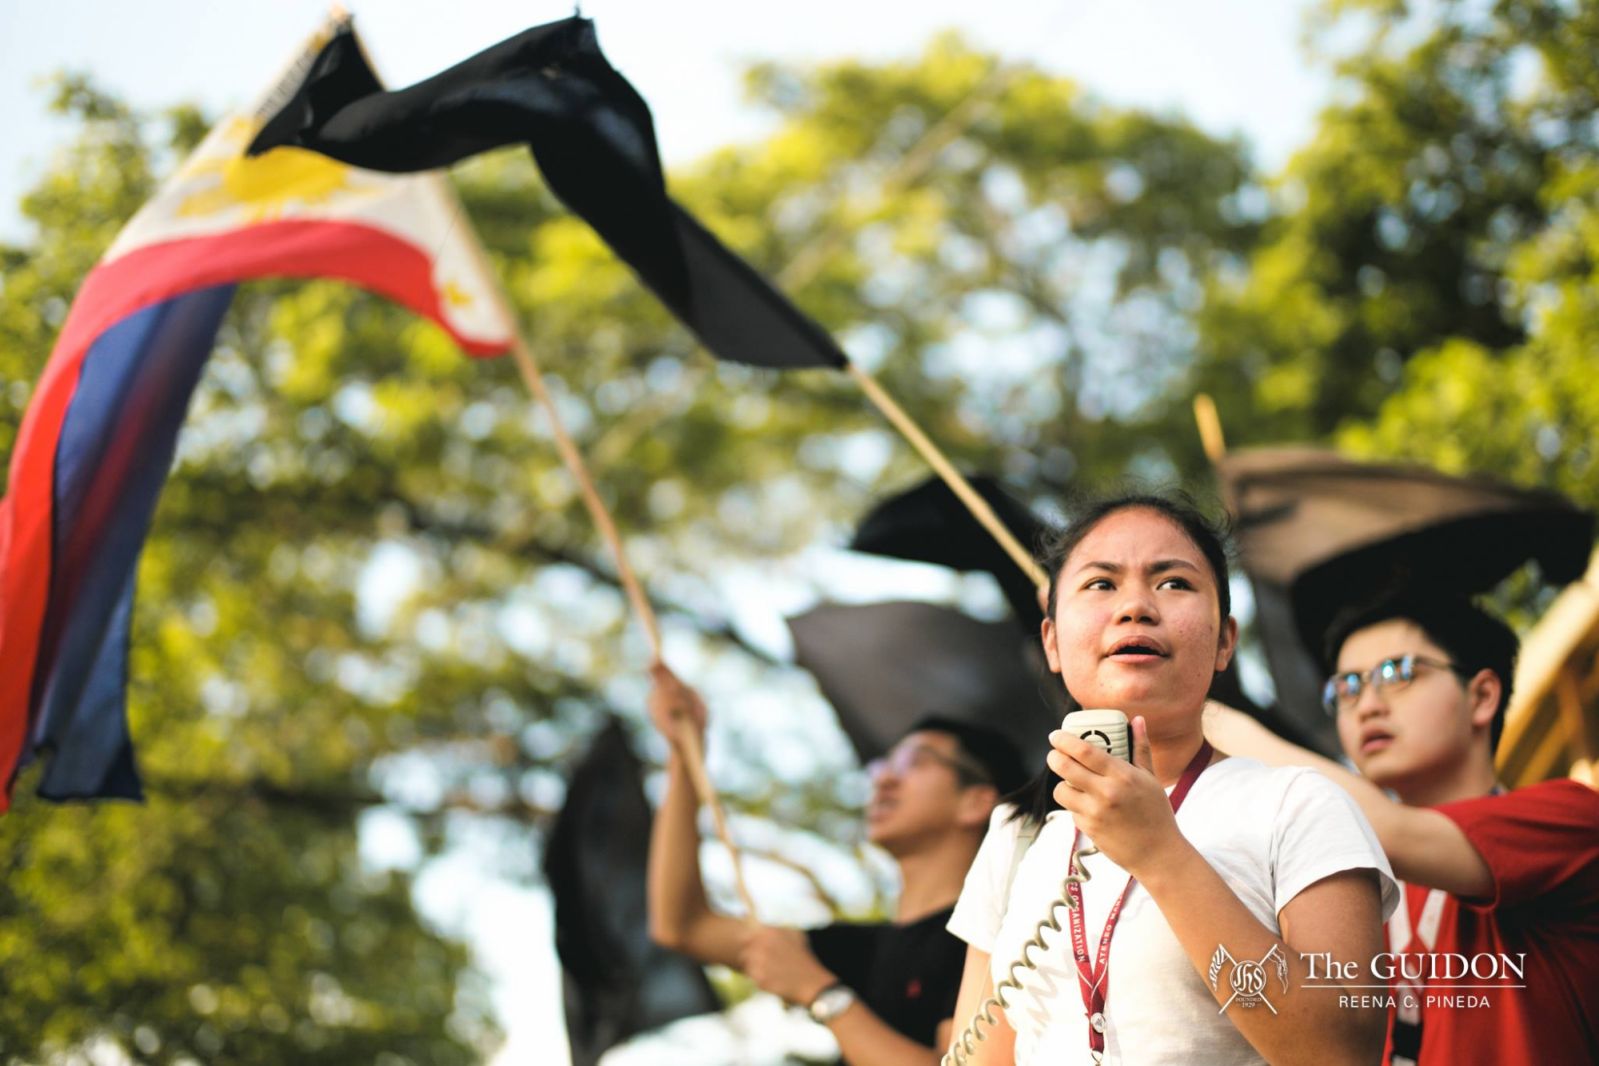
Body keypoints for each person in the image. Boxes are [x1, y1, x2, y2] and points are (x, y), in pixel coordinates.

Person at [946, 494, 1398, 1065]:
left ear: (1225, 641)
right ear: (1052, 642)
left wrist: (1160, 854)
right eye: (1101, 584)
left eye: (1174, 583)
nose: (1135, 606)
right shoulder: (1017, 835)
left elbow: (1340, 1053)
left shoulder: (1298, 804)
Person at [1205, 590, 1599, 1064]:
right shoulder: (1344, 894)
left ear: (1482, 696)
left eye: (1399, 673)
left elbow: (1384, 831)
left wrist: (1198, 716)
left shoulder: (1571, 817)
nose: (1367, 705)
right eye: (1347, 687)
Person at [646, 662, 1028, 1065]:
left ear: (977, 801)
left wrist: (823, 994)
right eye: (883, 766)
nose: (882, 780)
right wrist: (683, 754)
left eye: (915, 762)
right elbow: (683, 926)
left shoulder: (989, 943)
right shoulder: (860, 951)